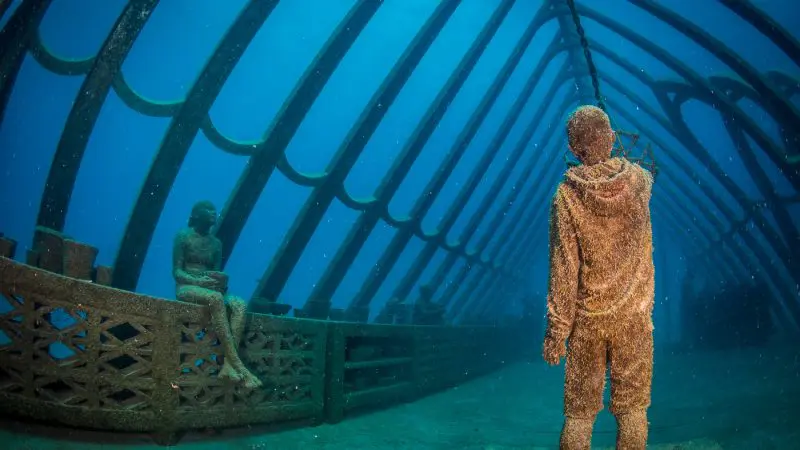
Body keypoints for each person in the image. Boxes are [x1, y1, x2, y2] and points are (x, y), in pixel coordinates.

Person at [542, 106, 655, 449]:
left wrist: (556, 332)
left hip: (587, 323)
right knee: (633, 410)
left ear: (575, 150)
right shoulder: (639, 183)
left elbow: (563, 270)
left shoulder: (566, 197)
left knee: (579, 415)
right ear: (611, 137)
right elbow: (646, 176)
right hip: (633, 320)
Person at [173, 200, 262, 389]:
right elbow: (177, 273)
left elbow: (215, 272)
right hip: (186, 287)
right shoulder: (183, 236)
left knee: (239, 304)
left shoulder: (216, 243)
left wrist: (220, 280)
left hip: (211, 289)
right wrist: (198, 281)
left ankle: (229, 366)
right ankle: (240, 367)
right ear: (196, 215)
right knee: (215, 298)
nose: (213, 213)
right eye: (208, 210)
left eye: (215, 210)